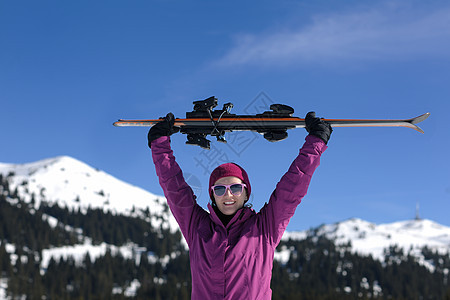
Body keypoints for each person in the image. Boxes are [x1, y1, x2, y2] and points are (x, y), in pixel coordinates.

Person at [148, 111, 332, 300]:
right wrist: (159, 145)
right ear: (212, 195)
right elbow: (174, 188)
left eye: (235, 188)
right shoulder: (197, 228)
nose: (228, 194)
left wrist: (315, 143)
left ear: (246, 193)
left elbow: (292, 188)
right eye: (219, 189)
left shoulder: (264, 228)